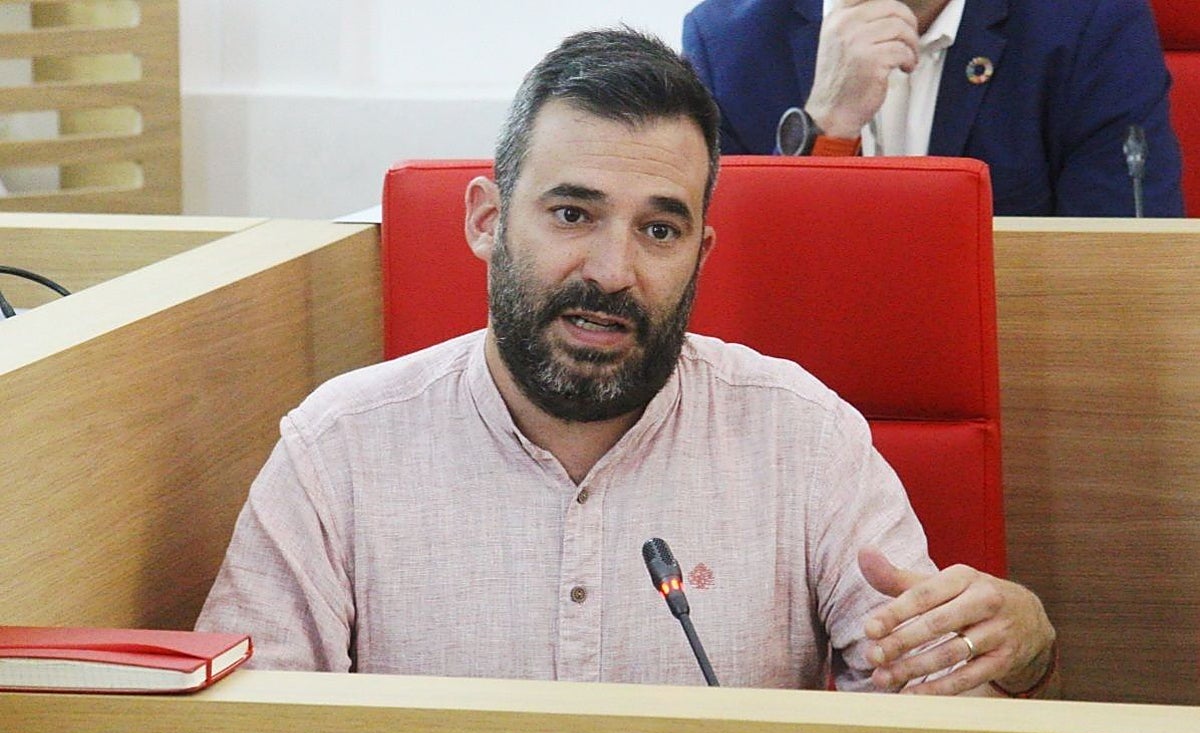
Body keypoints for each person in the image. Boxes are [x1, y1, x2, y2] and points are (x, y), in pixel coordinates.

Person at [196, 27, 1058, 698]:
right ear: (486, 220)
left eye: (658, 229)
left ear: (701, 250)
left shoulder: (804, 438)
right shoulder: (336, 454)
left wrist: (1013, 651)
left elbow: (940, 721)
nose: (612, 272)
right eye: (573, 214)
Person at [682, 0, 1184, 217]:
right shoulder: (727, 43)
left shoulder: (1090, 27)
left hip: (1023, 370)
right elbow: (725, 277)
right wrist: (825, 128)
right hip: (801, 378)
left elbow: (1122, 261)